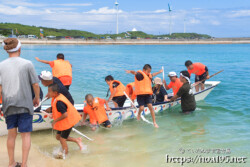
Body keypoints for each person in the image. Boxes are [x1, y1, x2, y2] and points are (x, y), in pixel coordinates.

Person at [0, 38, 40, 167]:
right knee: (25, 136)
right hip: (25, 105)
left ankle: (11, 163)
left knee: (11, 135)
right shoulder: (27, 64)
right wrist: (36, 98)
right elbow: (35, 84)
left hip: (8, 105)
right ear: (19, 48)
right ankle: (24, 164)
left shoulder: (1, 65)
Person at [48, 83, 83, 157]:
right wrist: (52, 114)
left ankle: (65, 156)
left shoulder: (59, 102)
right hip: (64, 122)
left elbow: (65, 114)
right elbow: (59, 111)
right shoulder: (57, 97)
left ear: (55, 93)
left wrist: (55, 121)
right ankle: (77, 140)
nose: (48, 93)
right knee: (58, 137)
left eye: (49, 91)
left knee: (62, 139)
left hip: (68, 122)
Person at [125, 64, 163, 128]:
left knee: (150, 107)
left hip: (147, 94)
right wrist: (130, 71)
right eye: (148, 71)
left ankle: (154, 122)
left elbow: (153, 74)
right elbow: (135, 73)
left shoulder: (149, 75)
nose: (149, 73)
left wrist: (159, 72)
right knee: (142, 108)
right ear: (144, 70)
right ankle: (139, 114)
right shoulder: (140, 75)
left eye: (149, 71)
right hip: (140, 95)